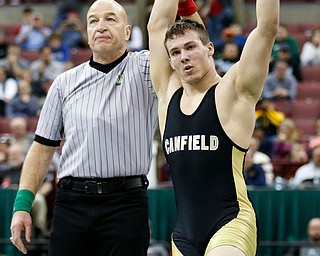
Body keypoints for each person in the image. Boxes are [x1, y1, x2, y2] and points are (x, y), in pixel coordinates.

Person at [10, 0, 158, 255]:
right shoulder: (64, 83)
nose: (100, 26)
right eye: (93, 21)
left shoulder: (146, 68)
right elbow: (42, 148)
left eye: (110, 19)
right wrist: (22, 205)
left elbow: (163, 25)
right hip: (73, 203)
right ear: (86, 33)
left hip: (126, 204)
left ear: (127, 31)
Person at [148, 0, 279, 255]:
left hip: (231, 223)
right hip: (184, 234)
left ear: (210, 49)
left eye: (190, 47)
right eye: (175, 52)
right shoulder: (167, 93)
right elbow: (156, 26)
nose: (183, 56)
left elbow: (266, 28)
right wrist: (184, 6)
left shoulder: (234, 91)